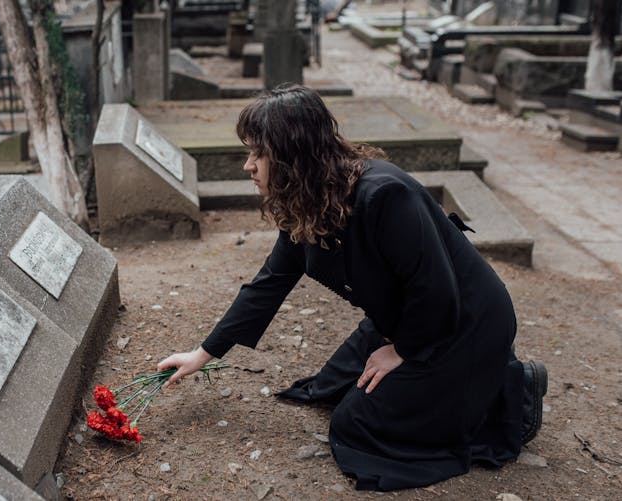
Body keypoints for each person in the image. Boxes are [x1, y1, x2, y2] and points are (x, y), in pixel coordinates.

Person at [158, 84, 547, 491]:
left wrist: (400, 350)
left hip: (462, 322)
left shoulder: (384, 196)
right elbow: (268, 285)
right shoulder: (309, 202)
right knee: (332, 385)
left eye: (258, 153)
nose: (248, 166)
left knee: (356, 425)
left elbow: (437, 290)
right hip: (404, 315)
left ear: (292, 156)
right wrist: (202, 354)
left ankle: (510, 393)